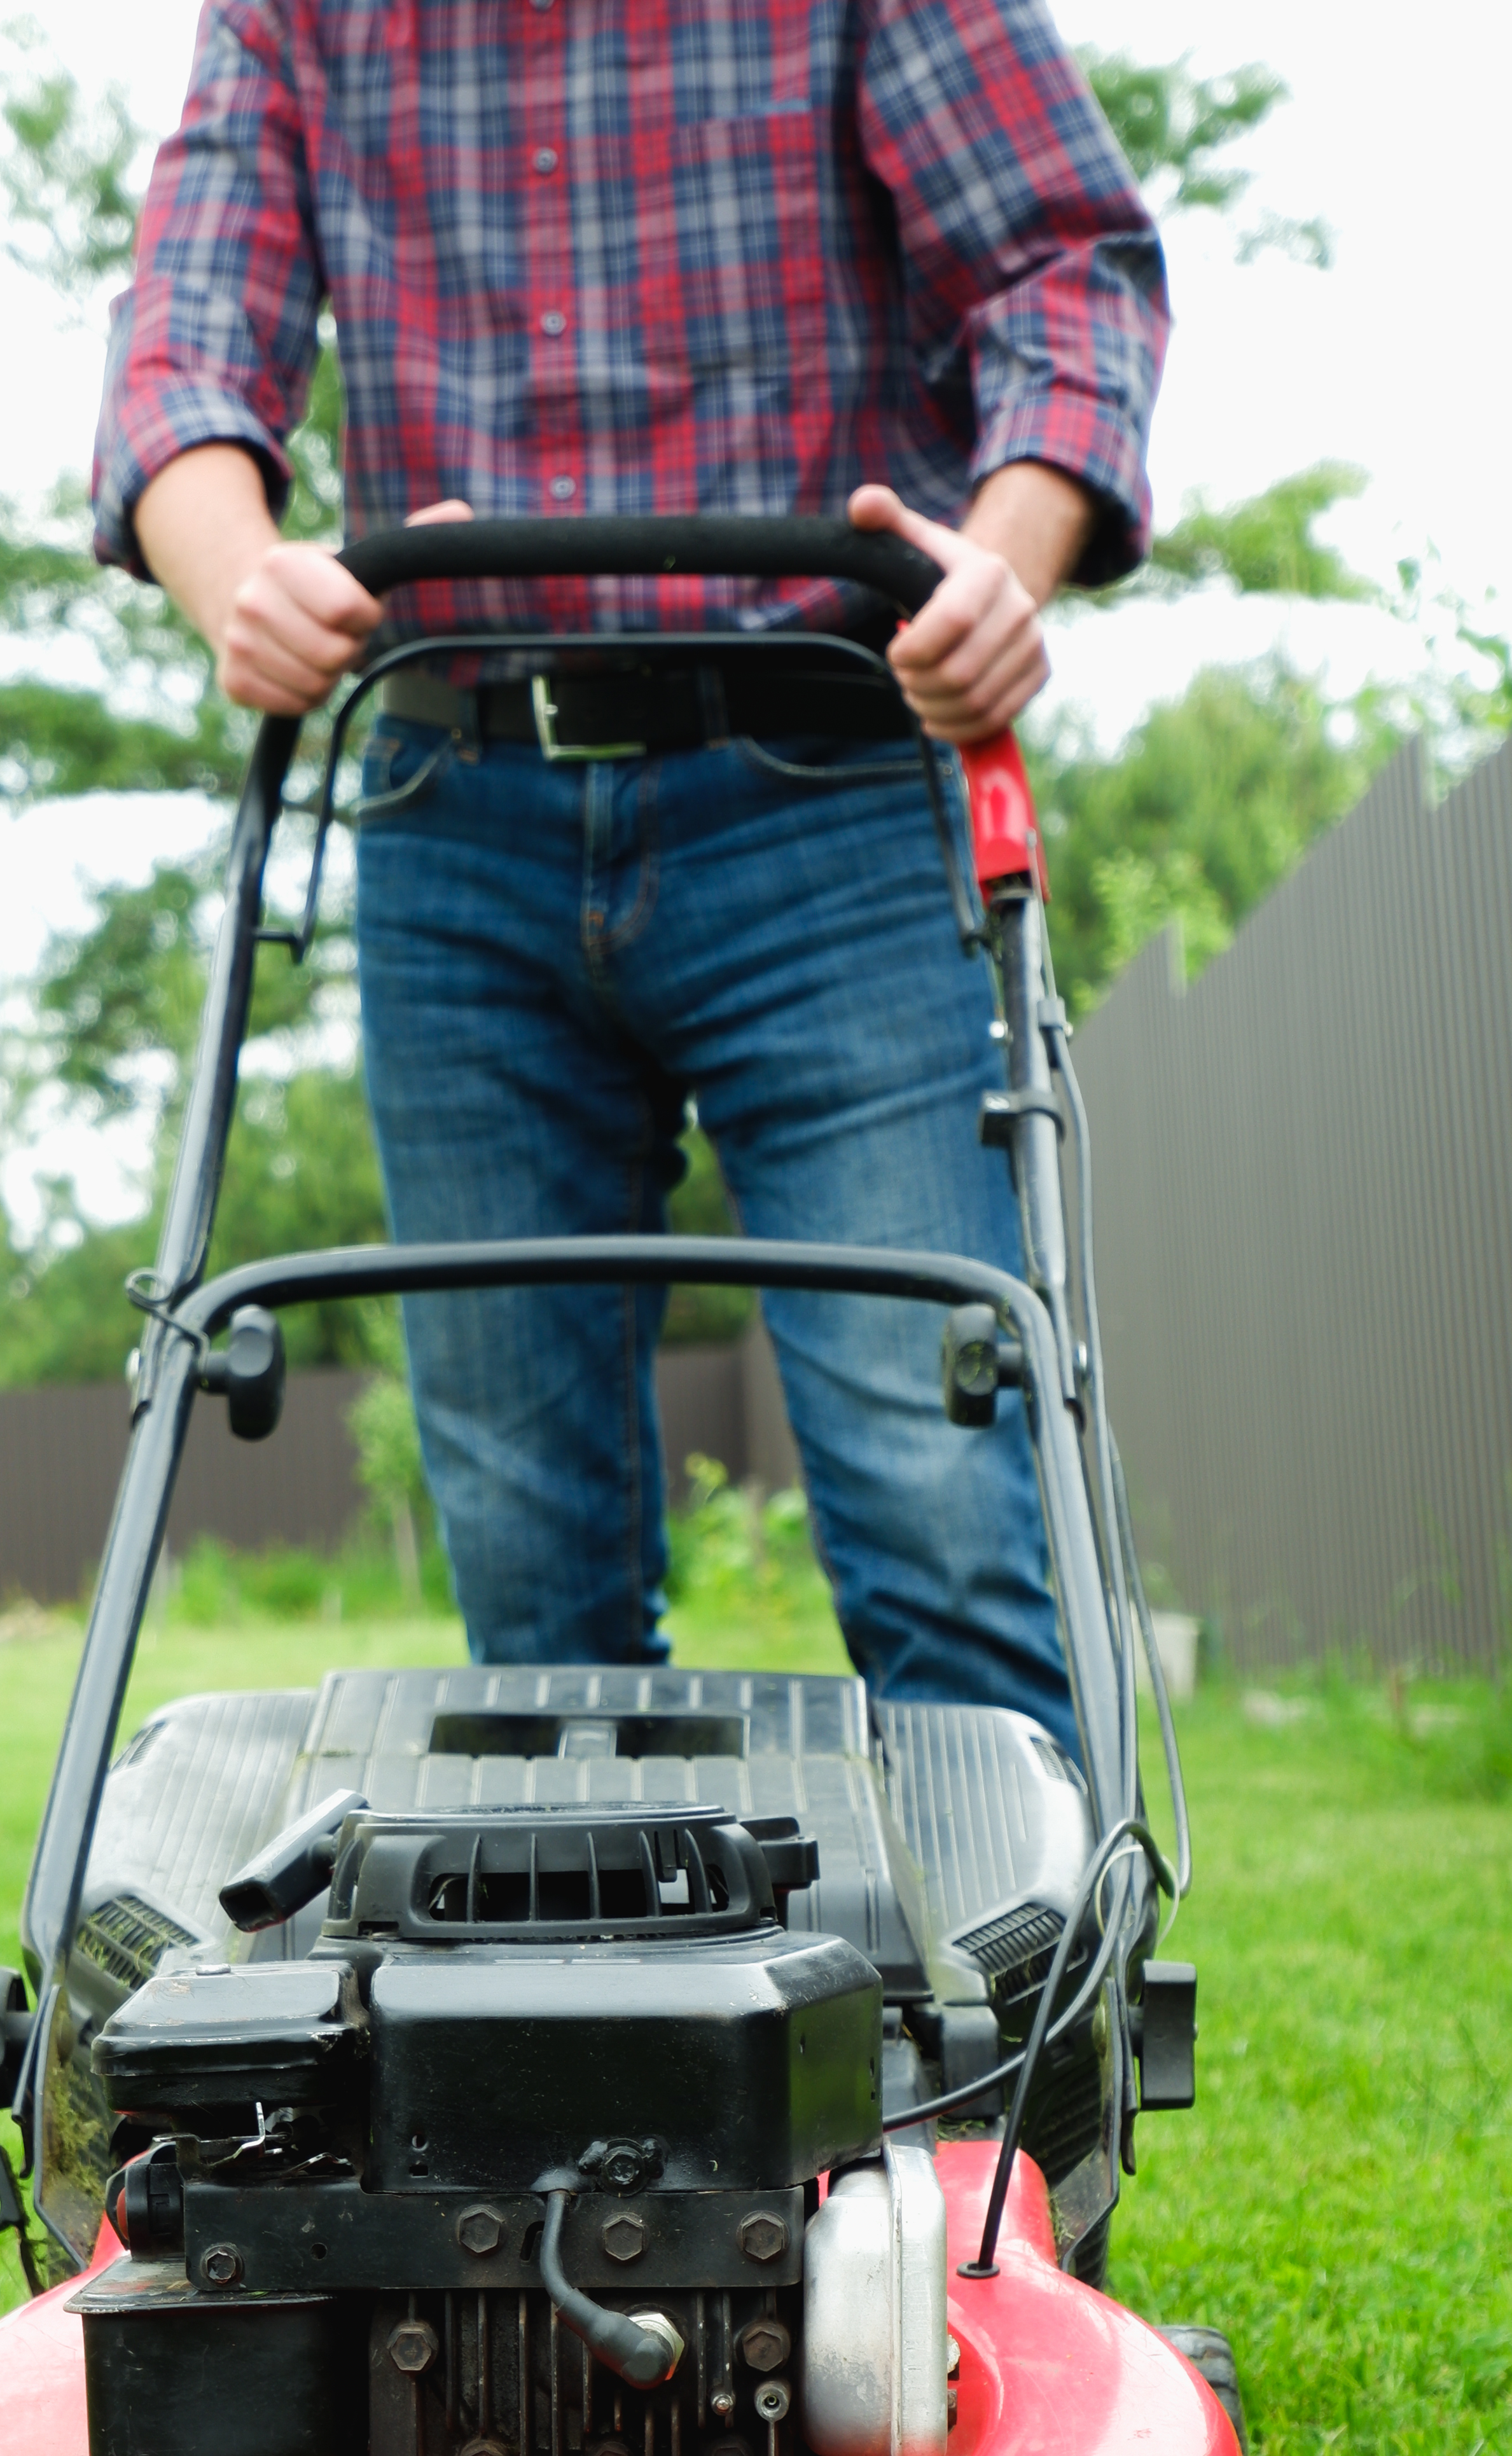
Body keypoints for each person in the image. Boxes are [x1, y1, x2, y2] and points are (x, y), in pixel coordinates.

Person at [95, 0, 1167, 1745]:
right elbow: (183, 344)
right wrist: (242, 578)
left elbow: (1061, 264)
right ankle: (588, 2010)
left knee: (942, 1497)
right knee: (531, 1569)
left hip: (823, 787)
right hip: (463, 812)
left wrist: (1000, 563)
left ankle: (1025, 2003)